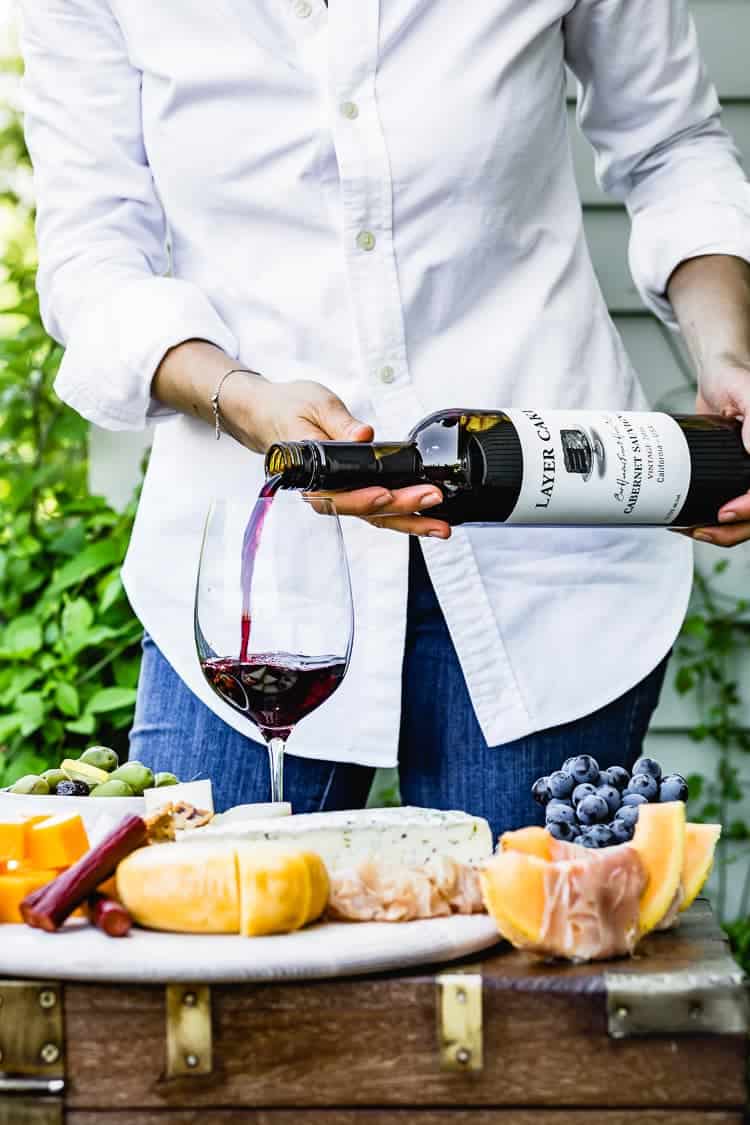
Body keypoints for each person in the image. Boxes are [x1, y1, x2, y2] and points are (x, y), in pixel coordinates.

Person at [18, 0, 750, 836]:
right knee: (201, 942)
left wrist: (727, 355)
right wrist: (239, 394)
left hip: (543, 562)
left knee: (520, 958)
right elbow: (93, 253)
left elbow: (671, 146)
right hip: (253, 581)